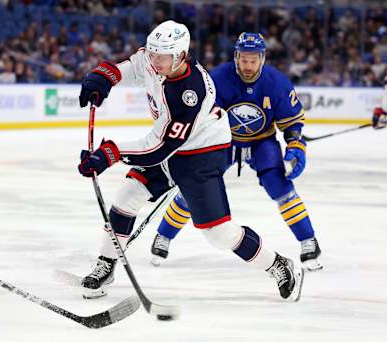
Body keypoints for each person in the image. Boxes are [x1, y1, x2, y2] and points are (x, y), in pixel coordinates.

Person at [77, 21, 304, 302]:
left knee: (218, 234)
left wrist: (109, 153)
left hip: (202, 154)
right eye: (152, 53)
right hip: (170, 146)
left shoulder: (191, 93)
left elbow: (157, 149)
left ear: (180, 56)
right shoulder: (157, 59)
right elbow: (134, 66)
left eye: (161, 56)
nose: (154, 61)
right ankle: (107, 263)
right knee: (127, 196)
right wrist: (106, 76)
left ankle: (277, 263)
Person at [151, 33, 322, 271]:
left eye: (253, 60)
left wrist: (295, 145)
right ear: (236, 57)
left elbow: (291, 123)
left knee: (279, 186)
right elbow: (199, 117)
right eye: (244, 60)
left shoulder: (277, 83)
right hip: (223, 141)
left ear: (262, 59)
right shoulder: (217, 79)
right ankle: (164, 236)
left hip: (262, 142)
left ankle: (308, 240)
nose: (248, 66)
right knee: (196, 186)